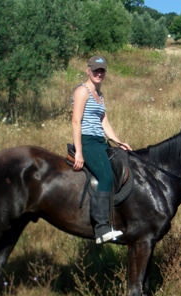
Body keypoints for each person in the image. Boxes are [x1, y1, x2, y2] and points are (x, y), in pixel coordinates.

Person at [71, 55, 131, 243]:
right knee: (105, 177)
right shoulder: (83, 91)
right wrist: (79, 151)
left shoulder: (99, 94)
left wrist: (118, 142)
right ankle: (101, 228)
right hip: (88, 142)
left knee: (121, 163)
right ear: (88, 70)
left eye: (102, 70)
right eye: (95, 69)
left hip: (100, 141)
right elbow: (76, 121)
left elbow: (104, 121)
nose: (99, 73)